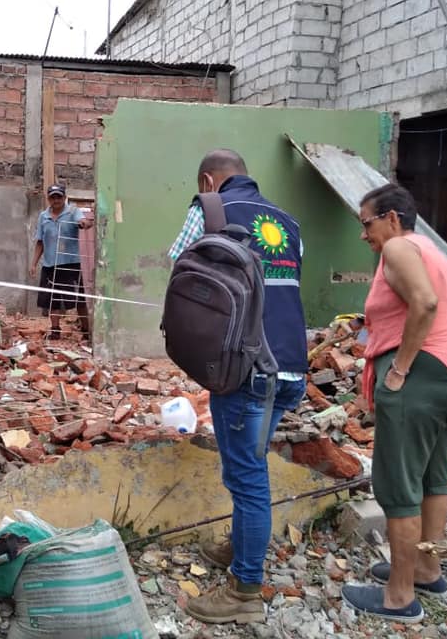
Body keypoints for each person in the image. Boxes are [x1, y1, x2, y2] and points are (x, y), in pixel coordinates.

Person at [169, 149, 308, 625]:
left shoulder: (210, 209)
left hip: (245, 368)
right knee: (251, 464)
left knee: (248, 479)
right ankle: (240, 545)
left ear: (209, 180)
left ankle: (245, 590)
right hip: (291, 368)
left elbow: (182, 271)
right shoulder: (288, 222)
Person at [342, 184, 447, 623]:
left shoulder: (399, 247)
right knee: (432, 475)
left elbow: (425, 302)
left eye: (366, 223)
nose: (363, 234)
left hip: (424, 374)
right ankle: (426, 568)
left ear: (392, 218)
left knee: (398, 484)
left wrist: (400, 369)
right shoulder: (430, 250)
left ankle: (399, 596)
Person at [30, 184, 93, 341]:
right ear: (48, 199)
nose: (56, 200)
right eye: (53, 197)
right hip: (50, 264)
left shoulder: (72, 211)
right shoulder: (43, 216)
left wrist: (84, 223)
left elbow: (83, 221)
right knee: (52, 300)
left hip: (70, 263)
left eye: (59, 196)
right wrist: (34, 264)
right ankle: (55, 330)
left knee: (78, 299)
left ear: (64, 197)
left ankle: (86, 330)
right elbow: (40, 241)